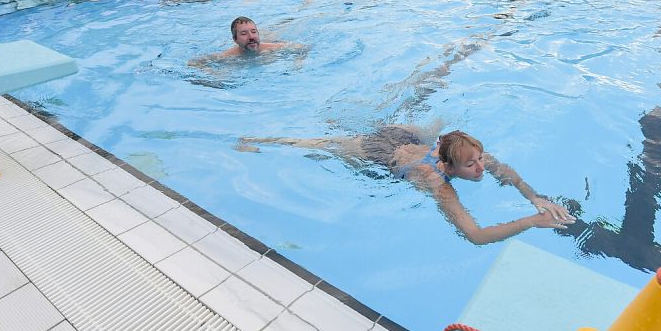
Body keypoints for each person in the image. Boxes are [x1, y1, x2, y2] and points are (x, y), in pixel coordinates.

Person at [236, 128, 575, 245]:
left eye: (481, 159)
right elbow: (476, 235)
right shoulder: (439, 185)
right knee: (320, 145)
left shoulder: (464, 151)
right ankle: (261, 140)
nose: (481, 168)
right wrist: (530, 222)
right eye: (471, 165)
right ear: (450, 165)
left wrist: (535, 198)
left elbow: (510, 175)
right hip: (380, 153)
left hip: (409, 137)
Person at [189, 16, 304, 66]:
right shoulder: (228, 56)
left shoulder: (272, 48)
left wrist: (297, 63)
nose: (251, 37)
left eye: (254, 32)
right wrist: (214, 74)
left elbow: (301, 47)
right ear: (235, 39)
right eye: (244, 34)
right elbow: (194, 63)